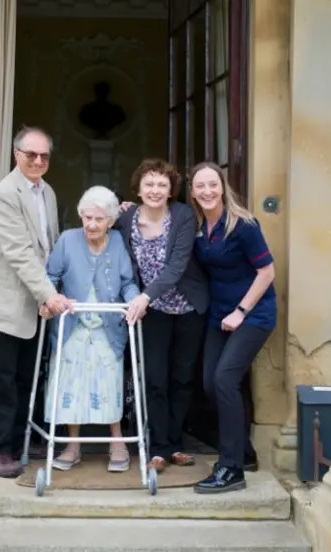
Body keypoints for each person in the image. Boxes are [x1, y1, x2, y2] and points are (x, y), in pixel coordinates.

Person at [0, 126, 73, 479]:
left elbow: (47, 246)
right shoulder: (5, 194)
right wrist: (48, 294)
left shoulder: (46, 192)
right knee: (2, 378)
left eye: (44, 156)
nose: (37, 160)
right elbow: (18, 253)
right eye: (30, 154)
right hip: (9, 304)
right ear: (16, 154)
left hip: (38, 304)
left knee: (26, 377)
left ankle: (20, 441)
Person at [40, 186, 145, 473]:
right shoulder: (67, 240)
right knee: (70, 386)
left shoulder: (117, 243)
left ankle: (118, 442)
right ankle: (72, 446)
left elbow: (126, 282)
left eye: (99, 219)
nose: (91, 224)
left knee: (109, 385)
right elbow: (50, 276)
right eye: (87, 218)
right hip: (73, 325)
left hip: (106, 327)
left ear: (111, 221)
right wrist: (52, 299)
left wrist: (135, 300)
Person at [116, 158, 209, 474]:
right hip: (152, 312)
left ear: (171, 190)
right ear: (138, 189)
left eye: (162, 184)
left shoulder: (182, 216)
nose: (155, 190)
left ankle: (175, 443)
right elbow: (99, 227)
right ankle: (158, 449)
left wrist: (144, 297)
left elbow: (177, 265)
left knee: (181, 379)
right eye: (149, 184)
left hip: (187, 308)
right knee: (155, 378)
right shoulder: (125, 217)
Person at [189, 162, 276, 494]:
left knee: (225, 378)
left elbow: (266, 272)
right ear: (193, 191)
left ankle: (231, 468)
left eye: (213, 184)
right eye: (200, 186)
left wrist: (241, 310)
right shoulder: (199, 227)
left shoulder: (244, 225)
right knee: (212, 383)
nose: (207, 191)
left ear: (222, 187)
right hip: (219, 315)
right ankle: (245, 452)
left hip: (253, 314)